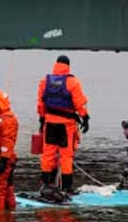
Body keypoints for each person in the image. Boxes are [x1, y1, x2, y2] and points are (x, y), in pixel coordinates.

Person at [37, 55, 89, 197]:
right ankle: (67, 188)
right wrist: (85, 117)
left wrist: (42, 119)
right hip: (66, 125)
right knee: (66, 156)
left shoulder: (45, 81)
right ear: (68, 66)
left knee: (48, 155)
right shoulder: (73, 82)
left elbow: (41, 103)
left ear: (55, 65)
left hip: (50, 123)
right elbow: (79, 103)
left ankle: (45, 184)